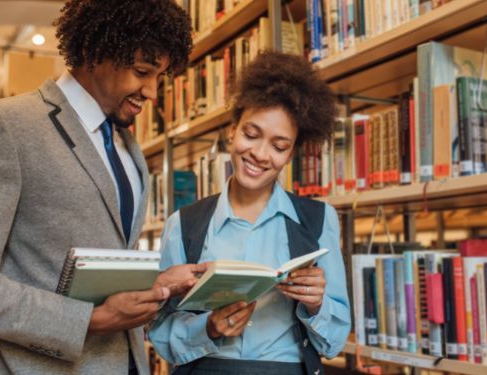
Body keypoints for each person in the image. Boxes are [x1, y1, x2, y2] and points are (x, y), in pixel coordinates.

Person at [0, 1, 205, 373]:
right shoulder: (4, 128)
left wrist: (158, 284)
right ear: (95, 52)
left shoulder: (129, 148)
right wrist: (86, 320)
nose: (153, 92)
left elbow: (97, 264)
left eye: (160, 76)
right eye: (142, 71)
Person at [148, 51, 351, 375]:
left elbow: (335, 342)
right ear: (233, 129)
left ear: (292, 153)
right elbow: (158, 333)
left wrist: (315, 305)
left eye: (279, 146)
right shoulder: (183, 224)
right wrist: (209, 328)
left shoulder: (318, 220)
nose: (259, 154)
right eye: (251, 134)